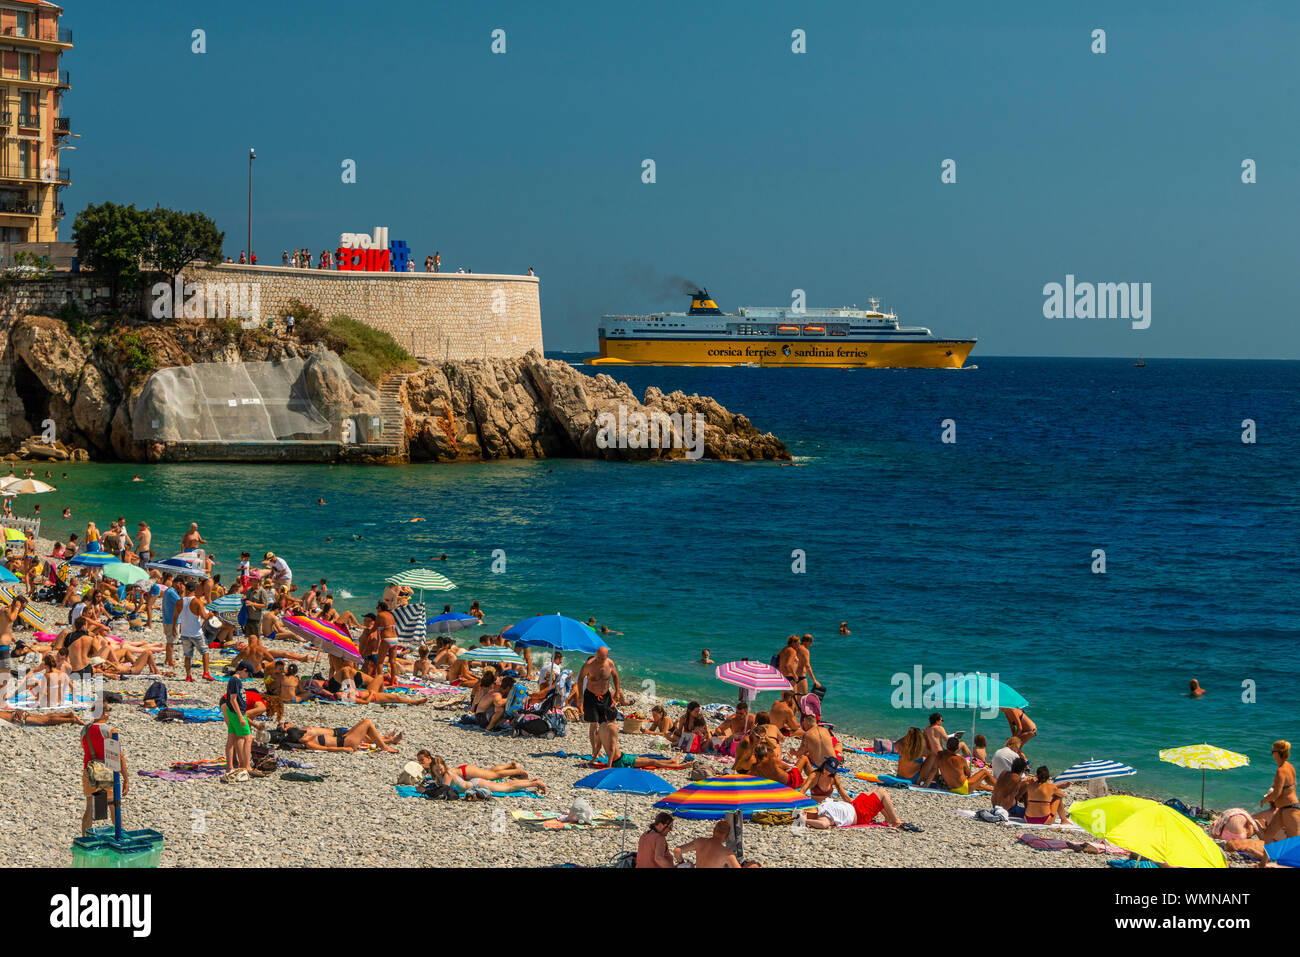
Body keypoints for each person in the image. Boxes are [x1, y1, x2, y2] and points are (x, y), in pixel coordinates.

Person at [80, 706, 127, 836]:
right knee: (114, 806)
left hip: (89, 770)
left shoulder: (84, 730)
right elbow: (119, 756)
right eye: (107, 710)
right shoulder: (110, 731)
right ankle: (120, 836)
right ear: (103, 713)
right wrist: (126, 779)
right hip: (106, 771)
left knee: (89, 807)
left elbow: (86, 749)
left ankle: (85, 839)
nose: (108, 713)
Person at [579, 646, 620, 763]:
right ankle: (594, 750)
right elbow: (581, 678)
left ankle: (601, 749)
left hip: (605, 696)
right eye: (599, 657)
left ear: (607, 656)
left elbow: (615, 676)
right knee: (594, 723)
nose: (601, 660)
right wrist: (580, 696)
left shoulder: (610, 663)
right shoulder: (589, 664)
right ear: (597, 655)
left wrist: (617, 691)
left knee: (604, 723)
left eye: (603, 658)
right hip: (591, 696)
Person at [426, 754, 547, 794]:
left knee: (506, 787)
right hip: (474, 783)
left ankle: (534, 783)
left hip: (476, 784)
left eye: (440, 769)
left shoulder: (446, 775)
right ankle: (532, 781)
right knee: (504, 783)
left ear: (444, 767)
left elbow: (443, 790)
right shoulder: (439, 776)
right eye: (436, 770)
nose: (439, 772)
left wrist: (425, 791)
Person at [802, 789, 903, 829]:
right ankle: (895, 821)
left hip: (855, 806)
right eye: (807, 812)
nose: (811, 809)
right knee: (882, 793)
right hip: (859, 814)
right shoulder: (823, 817)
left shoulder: (821, 809)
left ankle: (888, 818)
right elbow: (823, 825)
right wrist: (805, 820)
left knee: (874, 792)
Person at [1258, 740, 1298, 840]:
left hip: (1290, 810)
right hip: (1283, 809)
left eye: (1272, 752)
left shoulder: (1281, 771)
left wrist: (1264, 800)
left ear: (1277, 753)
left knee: (1295, 840)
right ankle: (1266, 856)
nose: (1272, 754)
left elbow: (1276, 794)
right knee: (1267, 836)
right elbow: (1293, 786)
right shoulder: (1290, 767)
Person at [221, 662, 254, 782]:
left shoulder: (234, 680)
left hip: (233, 712)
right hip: (236, 713)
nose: (248, 676)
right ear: (243, 670)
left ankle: (229, 767)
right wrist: (240, 716)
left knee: (232, 739)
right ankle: (246, 766)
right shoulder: (235, 681)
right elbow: (233, 699)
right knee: (248, 738)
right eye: (248, 674)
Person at [415, 750, 529, 782]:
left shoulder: (432, 764)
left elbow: (424, 767)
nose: (421, 762)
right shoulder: (434, 764)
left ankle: (518, 772)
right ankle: (510, 765)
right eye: (419, 760)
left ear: (429, 758)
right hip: (464, 770)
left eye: (422, 760)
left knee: (493, 775)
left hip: (466, 773)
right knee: (488, 772)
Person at [178, 580, 212, 682]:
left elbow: (175, 617)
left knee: (187, 656)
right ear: (195, 589)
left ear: (187, 589)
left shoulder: (180, 601)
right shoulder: (197, 602)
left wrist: (174, 629)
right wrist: (210, 614)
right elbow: (204, 616)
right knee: (205, 652)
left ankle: (188, 676)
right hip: (196, 632)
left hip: (184, 632)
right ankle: (205, 673)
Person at [673, 820, 740, 868]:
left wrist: (682, 863)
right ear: (726, 836)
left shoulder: (699, 842)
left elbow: (677, 851)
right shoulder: (727, 854)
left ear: (713, 830)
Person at [917, 713, 949, 787]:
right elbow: (947, 740)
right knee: (935, 769)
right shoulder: (939, 728)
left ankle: (927, 785)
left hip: (932, 752)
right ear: (937, 721)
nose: (942, 722)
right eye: (942, 720)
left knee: (934, 769)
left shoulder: (927, 729)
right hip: (940, 752)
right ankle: (928, 785)